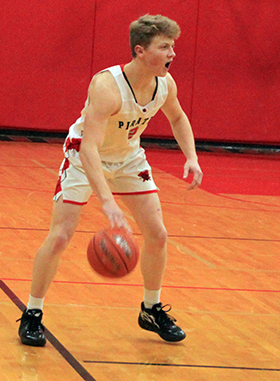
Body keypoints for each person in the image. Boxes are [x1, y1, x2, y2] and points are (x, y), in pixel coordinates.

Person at [17, 14, 203, 346]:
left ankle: (151, 308)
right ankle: (32, 312)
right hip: (84, 157)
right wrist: (107, 201)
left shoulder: (165, 84)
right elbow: (89, 149)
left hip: (129, 157)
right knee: (60, 237)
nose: (172, 53)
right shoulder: (106, 86)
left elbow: (177, 116)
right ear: (140, 51)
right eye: (165, 47)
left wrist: (191, 156)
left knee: (157, 234)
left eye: (172, 46)